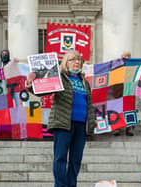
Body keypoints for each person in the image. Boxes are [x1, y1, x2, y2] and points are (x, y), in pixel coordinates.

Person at [26, 50, 96, 187]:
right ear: (65, 63)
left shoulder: (84, 82)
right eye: (72, 59)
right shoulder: (60, 78)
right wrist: (30, 85)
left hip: (81, 125)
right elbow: (43, 90)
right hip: (63, 124)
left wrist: (91, 123)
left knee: (76, 160)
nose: (76, 62)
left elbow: (89, 104)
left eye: (79, 60)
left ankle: (71, 185)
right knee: (60, 158)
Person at [113, 51, 134, 136]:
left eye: (128, 56)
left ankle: (129, 129)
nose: (126, 58)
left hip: (129, 92)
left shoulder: (133, 67)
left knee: (129, 111)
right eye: (125, 56)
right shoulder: (116, 66)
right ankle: (116, 129)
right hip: (117, 92)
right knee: (116, 111)